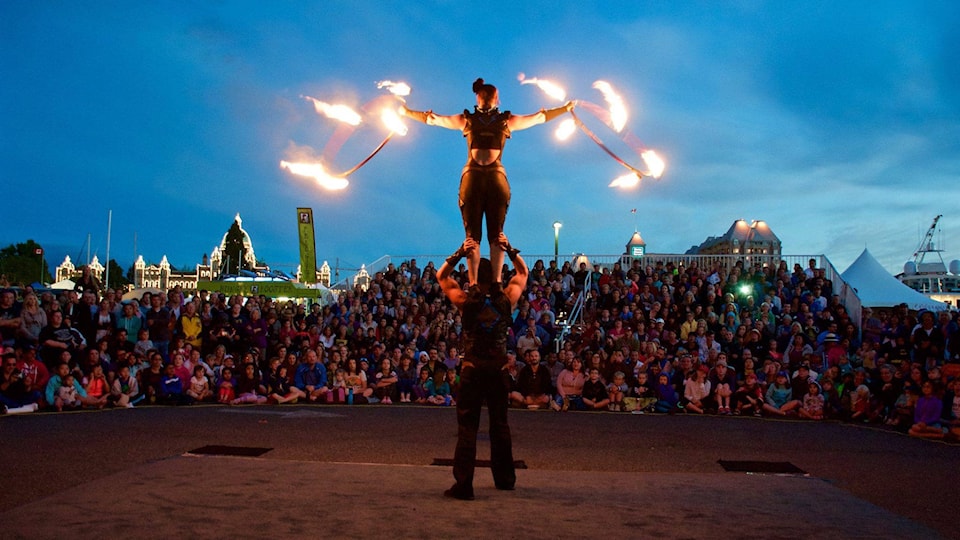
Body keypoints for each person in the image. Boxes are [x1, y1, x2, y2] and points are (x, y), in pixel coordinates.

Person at [402, 78, 572, 286]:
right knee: (485, 236)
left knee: (483, 236)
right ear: (494, 98)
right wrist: (564, 109)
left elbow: (434, 119)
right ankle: (488, 282)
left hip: (484, 178)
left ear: (481, 98)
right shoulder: (480, 119)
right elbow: (538, 117)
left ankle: (485, 282)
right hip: (481, 178)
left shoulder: (490, 120)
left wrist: (406, 112)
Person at [437, 234, 528, 500]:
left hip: (473, 368)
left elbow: (442, 277)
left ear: (473, 276)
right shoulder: (507, 298)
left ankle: (464, 485)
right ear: (497, 275)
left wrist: (460, 252)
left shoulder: (466, 301)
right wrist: (509, 249)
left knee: (468, 427)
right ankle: (505, 479)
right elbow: (522, 273)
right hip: (498, 369)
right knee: (500, 425)